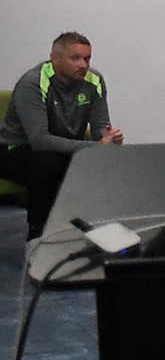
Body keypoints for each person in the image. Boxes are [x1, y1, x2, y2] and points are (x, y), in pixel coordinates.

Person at [1, 32, 122, 240]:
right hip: (15, 148)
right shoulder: (32, 83)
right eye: (75, 58)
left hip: (62, 146)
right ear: (55, 59)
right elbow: (40, 140)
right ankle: (38, 232)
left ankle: (97, 229)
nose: (83, 65)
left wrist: (109, 138)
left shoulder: (94, 80)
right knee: (51, 162)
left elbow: (100, 127)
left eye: (87, 58)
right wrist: (95, 147)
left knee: (106, 159)